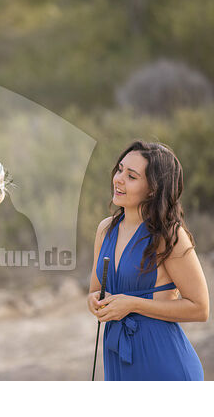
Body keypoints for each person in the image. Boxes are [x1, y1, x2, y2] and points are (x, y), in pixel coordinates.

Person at [87, 140, 209, 380]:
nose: (118, 179)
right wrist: (94, 301)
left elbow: (200, 308)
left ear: (153, 189)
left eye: (131, 176)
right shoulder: (105, 230)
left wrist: (133, 304)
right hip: (117, 361)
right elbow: (96, 290)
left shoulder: (169, 235)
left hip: (164, 364)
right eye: (120, 169)